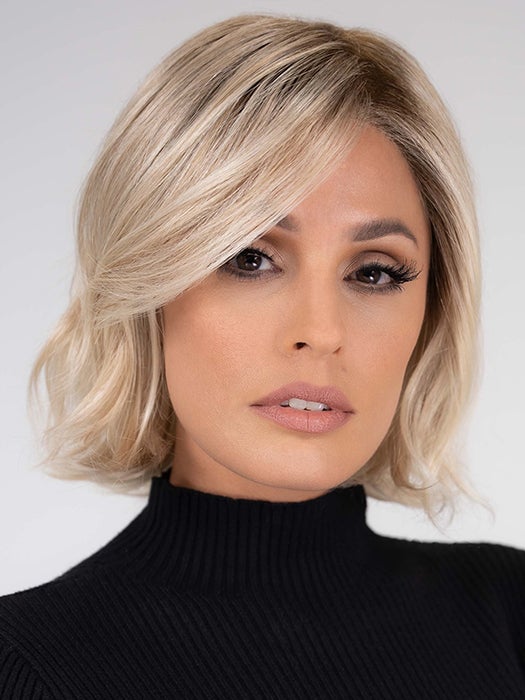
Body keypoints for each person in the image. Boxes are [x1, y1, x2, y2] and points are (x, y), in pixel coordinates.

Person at [1, 13, 523, 699]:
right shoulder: (31, 667)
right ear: (146, 290)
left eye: (373, 272)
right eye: (249, 258)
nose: (320, 331)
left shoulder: (508, 618)